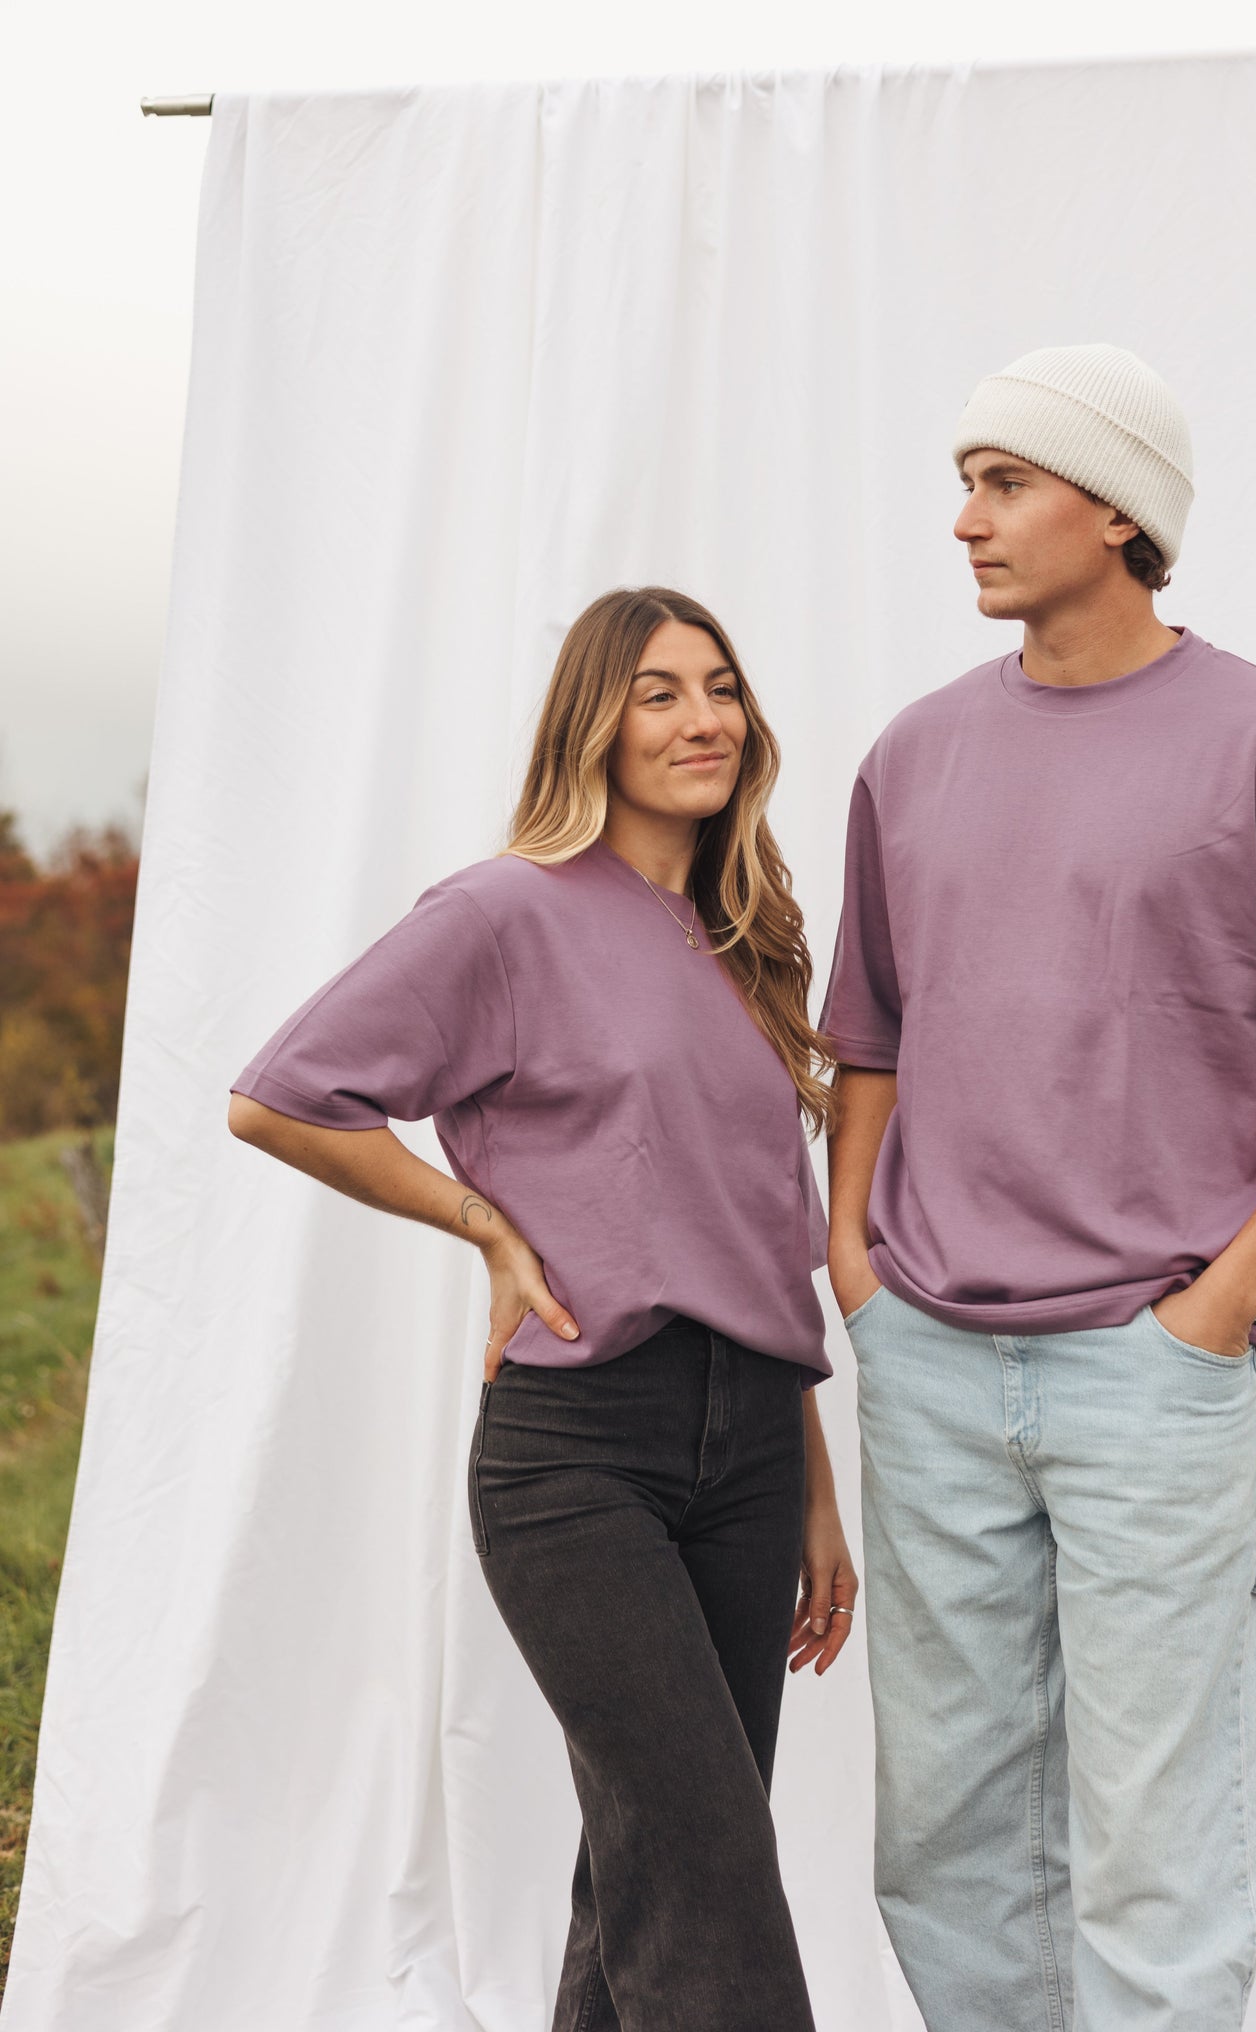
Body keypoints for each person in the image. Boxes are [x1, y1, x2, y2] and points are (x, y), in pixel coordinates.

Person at [821, 343, 1256, 2030]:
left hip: (1152, 1376)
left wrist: (1215, 1309)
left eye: (1003, 483)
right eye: (964, 483)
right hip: (928, 1358)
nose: (964, 520)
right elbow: (865, 1041)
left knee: (1161, 1847)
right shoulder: (913, 753)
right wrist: (853, 1266)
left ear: (1115, 511)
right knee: (944, 1839)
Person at [228, 586, 855, 2032]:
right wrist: (483, 1224)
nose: (703, 718)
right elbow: (280, 1097)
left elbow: (757, 1241)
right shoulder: (505, 911)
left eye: (721, 688)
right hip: (580, 1448)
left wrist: (815, 1488)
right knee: (707, 1863)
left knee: (654, 1865)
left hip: (754, 1447)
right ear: (593, 723)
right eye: (657, 692)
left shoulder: (745, 941)